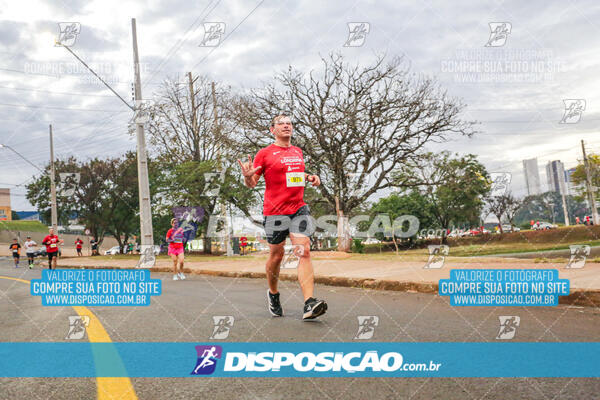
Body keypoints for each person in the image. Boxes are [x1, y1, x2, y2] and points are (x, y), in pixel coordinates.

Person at [237, 114, 327, 320]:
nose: (286, 126)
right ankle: (274, 294)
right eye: (281, 123)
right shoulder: (264, 154)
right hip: (275, 211)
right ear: (272, 129)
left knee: (303, 251)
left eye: (289, 123)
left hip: (298, 208)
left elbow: (292, 176)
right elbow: (252, 185)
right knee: (276, 256)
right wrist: (247, 176)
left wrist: (310, 177)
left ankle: (309, 304)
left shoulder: (297, 152)